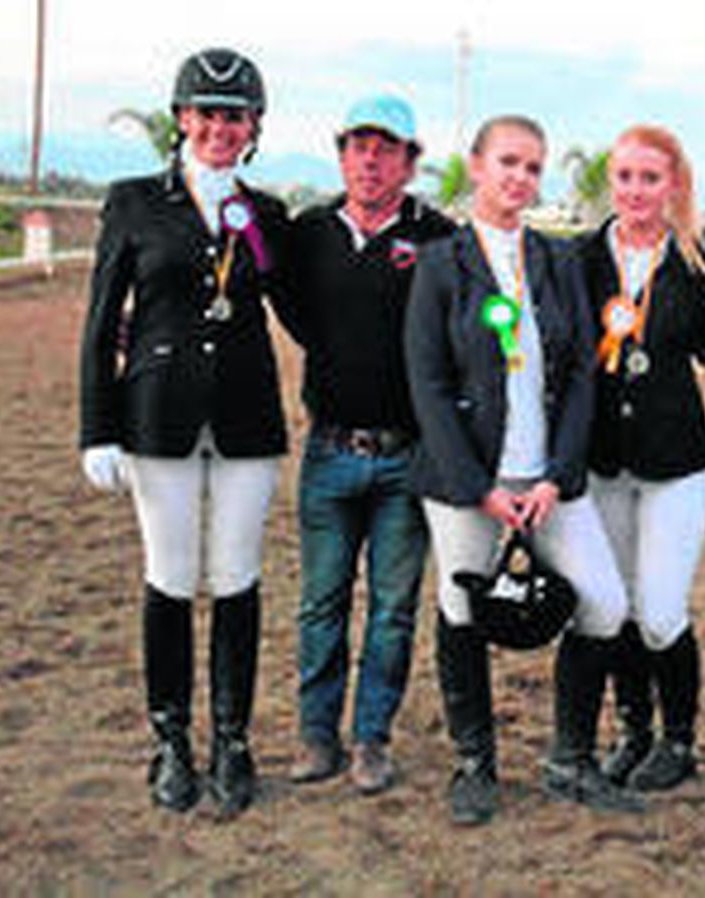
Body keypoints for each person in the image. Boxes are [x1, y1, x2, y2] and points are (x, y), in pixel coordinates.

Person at [405, 114, 643, 825]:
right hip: (466, 485)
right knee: (461, 609)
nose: (520, 178)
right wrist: (478, 488)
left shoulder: (557, 260)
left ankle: (570, 758)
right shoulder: (440, 264)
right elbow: (428, 383)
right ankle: (475, 764)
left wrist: (555, 476)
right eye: (508, 162)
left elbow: (577, 377)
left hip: (547, 480)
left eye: (534, 167)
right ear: (476, 166)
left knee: (604, 603)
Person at [78, 47, 288, 817]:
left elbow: (306, 306)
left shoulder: (266, 216)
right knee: (170, 575)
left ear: (254, 126)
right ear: (181, 119)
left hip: (245, 419)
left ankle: (232, 739)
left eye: (234, 116)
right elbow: (102, 322)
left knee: (235, 577)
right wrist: (97, 427)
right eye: (206, 113)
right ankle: (170, 739)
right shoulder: (133, 202)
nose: (219, 128)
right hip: (156, 416)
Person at [279, 93, 456, 793]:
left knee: (391, 609)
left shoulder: (440, 237)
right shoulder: (309, 232)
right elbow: (290, 310)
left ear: (412, 162)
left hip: (406, 461)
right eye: (358, 145)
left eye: (387, 148)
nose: (371, 159)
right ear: (341, 152)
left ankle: (371, 740)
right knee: (321, 603)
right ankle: (316, 735)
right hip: (328, 453)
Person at [576, 125, 705, 793]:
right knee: (618, 607)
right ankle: (633, 729)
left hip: (677, 461)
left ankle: (680, 738)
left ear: (674, 185)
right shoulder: (579, 258)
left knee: (661, 609)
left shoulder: (699, 262)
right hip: (603, 459)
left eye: (650, 178)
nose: (636, 190)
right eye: (626, 176)